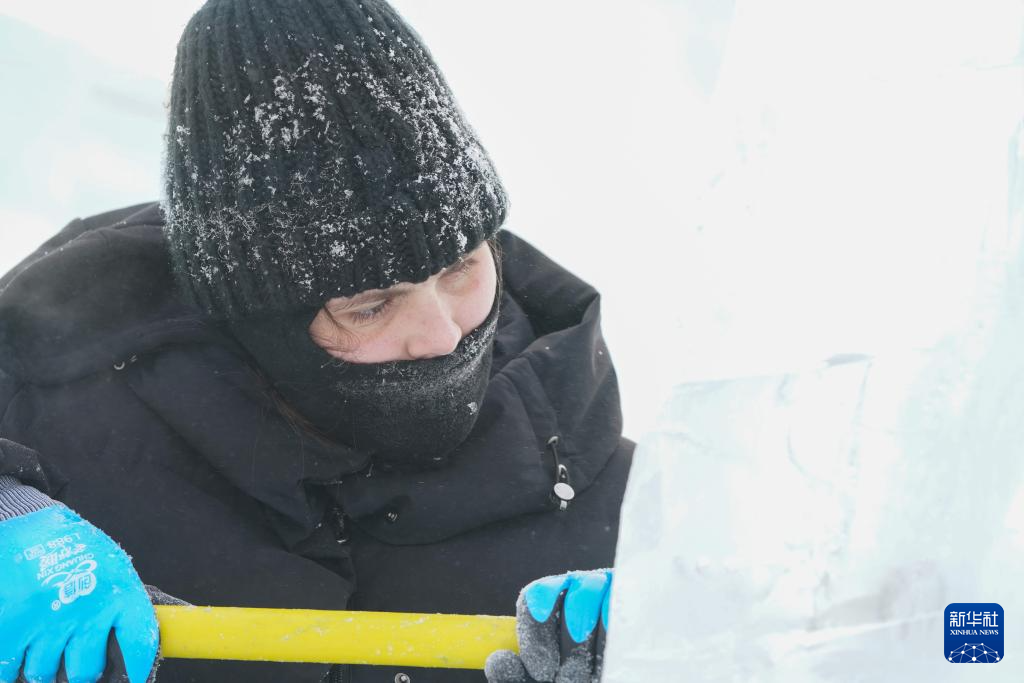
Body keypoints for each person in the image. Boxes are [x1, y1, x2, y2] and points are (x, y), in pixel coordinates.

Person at [0, 1, 632, 681]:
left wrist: (670, 647)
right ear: (259, 315)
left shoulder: (601, 486)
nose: (443, 334)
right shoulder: (67, 389)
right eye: (371, 305)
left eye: (460, 266)